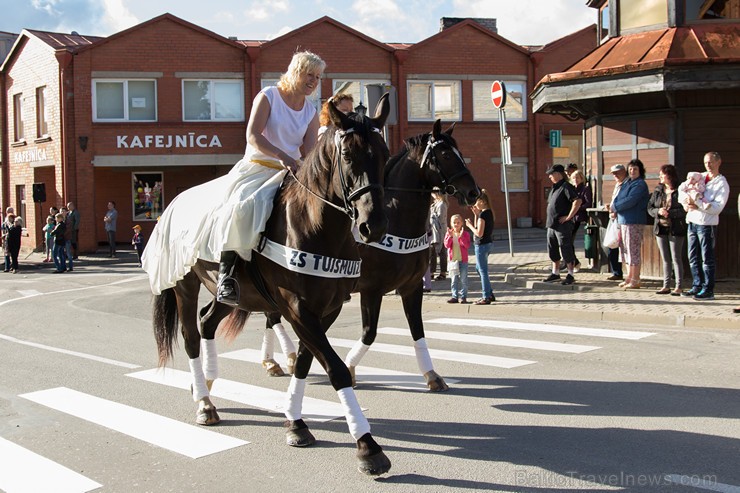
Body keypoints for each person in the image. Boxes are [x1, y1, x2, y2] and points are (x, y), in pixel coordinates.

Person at [142, 51, 325, 306]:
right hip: (257, 167)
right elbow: (253, 136)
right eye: (309, 74)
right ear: (296, 72)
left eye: (317, 77)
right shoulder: (269, 96)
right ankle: (227, 275)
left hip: (289, 172)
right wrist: (283, 156)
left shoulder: (310, 112)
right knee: (243, 206)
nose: (313, 81)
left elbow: (309, 151)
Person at [681, 151, 730, 301]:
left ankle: (708, 289)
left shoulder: (722, 183)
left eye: (710, 162)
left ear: (718, 162)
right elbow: (682, 190)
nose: (708, 165)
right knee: (692, 257)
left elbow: (717, 208)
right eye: (705, 162)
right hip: (692, 221)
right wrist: (686, 203)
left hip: (706, 225)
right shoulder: (699, 176)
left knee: (707, 259)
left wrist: (698, 204)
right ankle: (697, 285)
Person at [647, 164, 687, 295]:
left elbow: (684, 209)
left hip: (676, 228)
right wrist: (658, 211)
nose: (660, 176)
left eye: (662, 174)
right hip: (660, 227)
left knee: (676, 257)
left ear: (669, 175)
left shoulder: (681, 190)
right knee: (665, 258)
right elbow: (650, 208)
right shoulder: (658, 190)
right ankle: (666, 285)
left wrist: (670, 213)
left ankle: (679, 286)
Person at [611, 158, 650, 289]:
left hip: (634, 220)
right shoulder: (627, 183)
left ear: (640, 171)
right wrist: (615, 206)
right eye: (631, 168)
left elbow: (630, 200)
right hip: (623, 220)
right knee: (625, 250)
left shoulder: (639, 184)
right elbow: (618, 198)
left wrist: (615, 207)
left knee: (633, 250)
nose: (632, 171)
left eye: (635, 169)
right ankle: (629, 277)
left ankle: (635, 278)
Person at [542, 164, 581, 286]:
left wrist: (569, 217)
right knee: (552, 249)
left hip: (562, 225)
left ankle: (570, 274)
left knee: (566, 248)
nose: (549, 176)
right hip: (551, 224)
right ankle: (555, 273)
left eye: (551, 174)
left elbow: (577, 201)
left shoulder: (566, 186)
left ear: (558, 174)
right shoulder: (555, 187)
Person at [465, 189, 496, 304]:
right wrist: (476, 215)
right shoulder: (487, 212)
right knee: (478, 269)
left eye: (477, 201)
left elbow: (478, 233)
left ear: (482, 201)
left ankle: (486, 296)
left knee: (483, 271)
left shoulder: (484, 214)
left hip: (481, 245)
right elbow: (480, 227)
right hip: (487, 244)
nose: (475, 203)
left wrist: (470, 226)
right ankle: (489, 292)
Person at [605, 164, 627, 281]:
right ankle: (616, 272)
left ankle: (621, 272)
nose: (615, 175)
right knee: (612, 245)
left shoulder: (627, 185)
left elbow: (625, 202)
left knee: (622, 247)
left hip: (622, 219)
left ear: (623, 172)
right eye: (613, 173)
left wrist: (616, 211)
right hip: (614, 219)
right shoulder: (617, 185)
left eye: (617, 173)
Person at [444, 214, 471, 304]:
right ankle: (454, 296)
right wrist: (451, 236)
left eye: (458, 222)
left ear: (462, 223)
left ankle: (463, 297)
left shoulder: (465, 234)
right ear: (451, 224)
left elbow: (467, 245)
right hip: (453, 261)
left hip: (463, 260)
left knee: (463, 279)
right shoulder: (449, 233)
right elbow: (446, 245)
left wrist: (461, 236)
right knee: (453, 280)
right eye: (454, 223)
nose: (456, 224)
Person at [569, 169, 592, 272]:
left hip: (577, 217)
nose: (575, 180)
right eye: (573, 178)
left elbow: (588, 203)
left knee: (569, 241)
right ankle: (573, 262)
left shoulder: (585, 189)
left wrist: (577, 208)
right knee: (567, 241)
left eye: (577, 178)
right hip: (570, 217)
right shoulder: (571, 188)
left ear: (581, 178)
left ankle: (575, 262)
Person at [429, 191, 448, 281]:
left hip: (439, 231)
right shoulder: (435, 203)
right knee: (432, 251)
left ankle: (443, 273)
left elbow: (440, 219)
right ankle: (431, 272)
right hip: (434, 230)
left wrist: (432, 216)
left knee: (442, 251)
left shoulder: (441, 205)